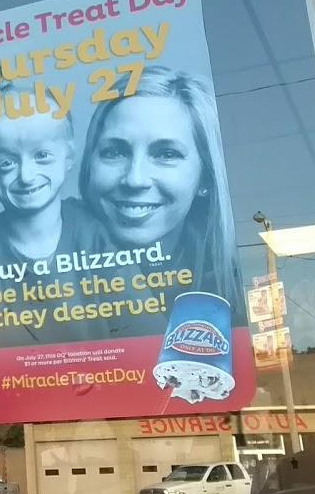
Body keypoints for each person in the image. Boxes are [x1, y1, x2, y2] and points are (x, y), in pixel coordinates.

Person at [0, 83, 105, 349]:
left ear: (69, 157)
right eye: (7, 163)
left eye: (42, 155)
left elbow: (142, 324)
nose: (27, 176)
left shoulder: (94, 229)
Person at [78, 65, 243, 320]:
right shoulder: (35, 280)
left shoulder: (239, 288)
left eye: (166, 154)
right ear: (89, 166)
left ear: (206, 178)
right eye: (115, 152)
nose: (135, 179)